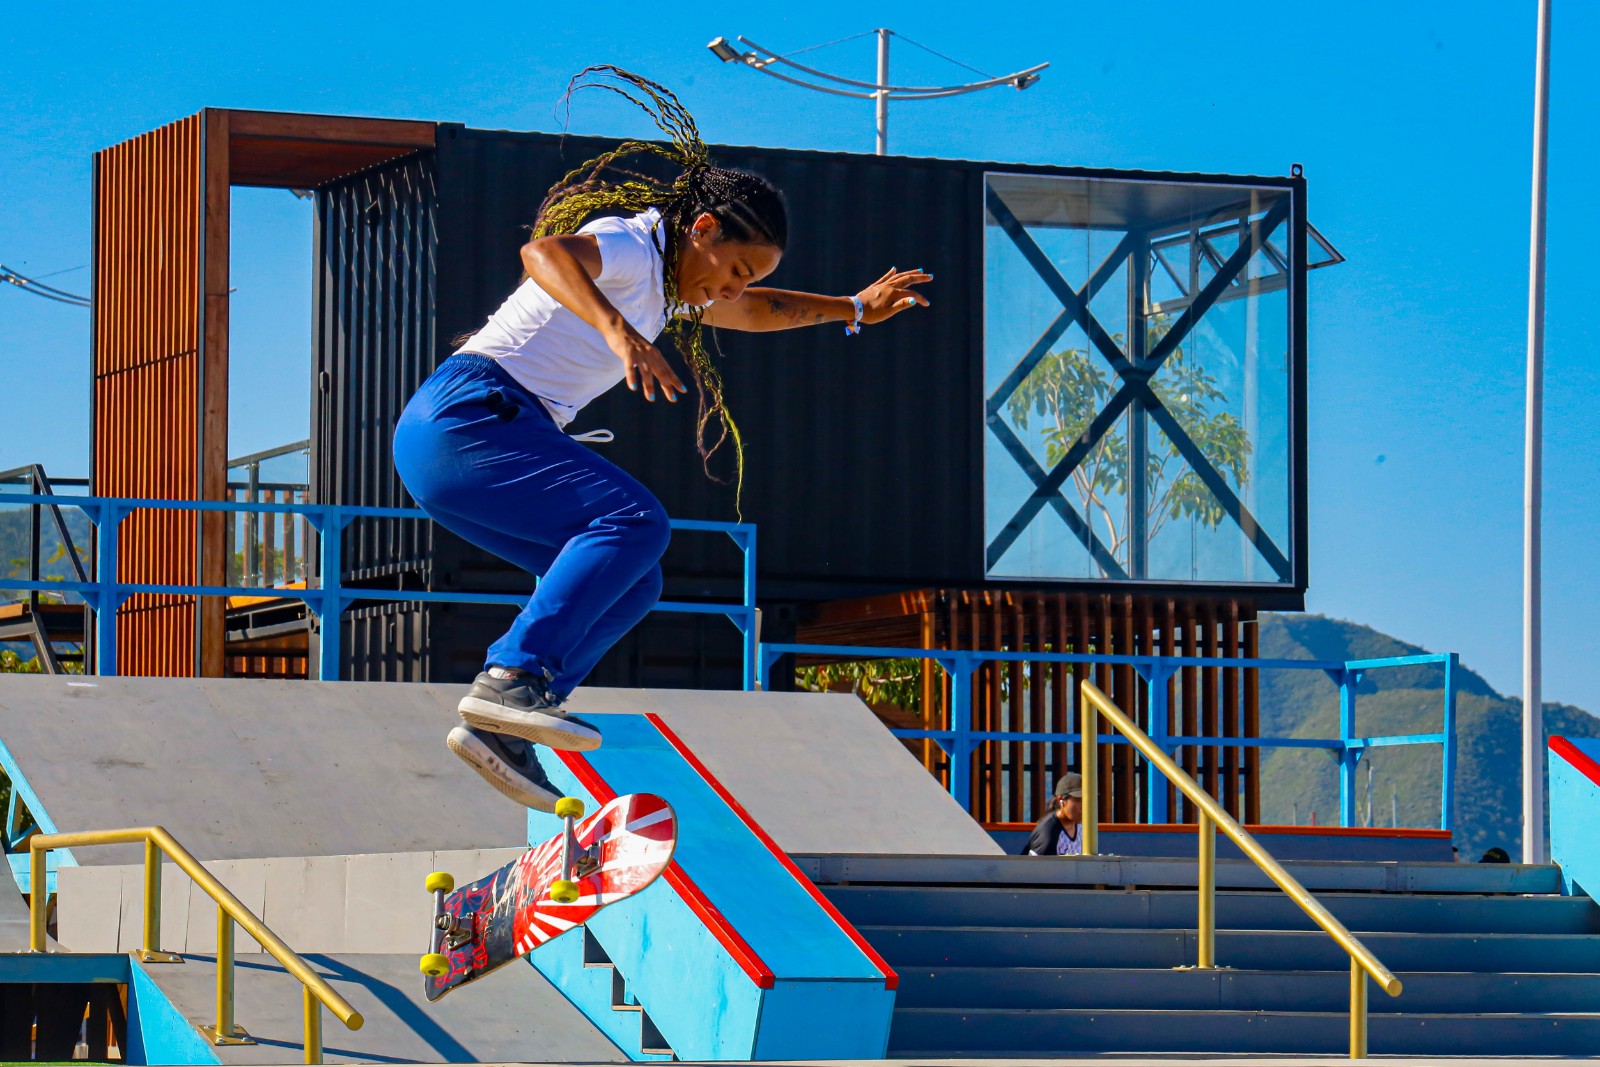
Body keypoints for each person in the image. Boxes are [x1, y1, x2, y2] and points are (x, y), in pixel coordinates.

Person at [391, 67, 931, 811]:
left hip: (459, 449)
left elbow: (761, 309)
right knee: (635, 520)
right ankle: (511, 675)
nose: (731, 290)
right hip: (468, 418)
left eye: (746, 279)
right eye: (732, 269)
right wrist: (617, 333)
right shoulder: (632, 247)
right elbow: (544, 254)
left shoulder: (669, 289)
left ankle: (508, 724)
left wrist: (853, 308)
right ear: (702, 231)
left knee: (634, 579)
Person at [1023, 773, 1086, 856]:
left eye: (1087, 800)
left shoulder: (1083, 828)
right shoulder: (1048, 834)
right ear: (1061, 800)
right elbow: (1035, 867)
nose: (1084, 806)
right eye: (1078, 800)